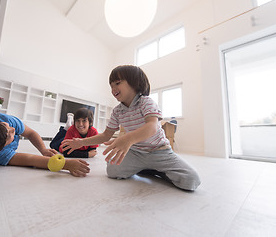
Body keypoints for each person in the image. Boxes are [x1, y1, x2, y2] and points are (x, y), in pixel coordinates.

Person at [61, 65, 201, 190]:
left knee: (191, 181)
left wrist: (127, 138)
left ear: (135, 83)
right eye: (111, 86)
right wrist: (80, 142)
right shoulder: (117, 111)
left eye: (117, 83)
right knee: (113, 171)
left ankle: (157, 170)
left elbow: (152, 126)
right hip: (136, 153)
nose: (113, 89)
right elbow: (105, 135)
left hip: (160, 151)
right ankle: (145, 168)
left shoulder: (146, 102)